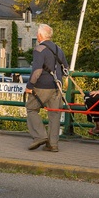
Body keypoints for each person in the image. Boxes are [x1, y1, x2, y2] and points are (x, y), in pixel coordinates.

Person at [25, 24, 68, 152]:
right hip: (57, 86)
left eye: (37, 34)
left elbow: (37, 71)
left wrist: (29, 86)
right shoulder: (58, 49)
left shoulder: (39, 49)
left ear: (40, 35)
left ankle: (40, 136)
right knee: (54, 114)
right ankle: (53, 144)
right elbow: (66, 68)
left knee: (31, 108)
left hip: (42, 86)